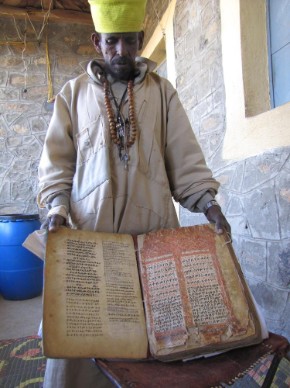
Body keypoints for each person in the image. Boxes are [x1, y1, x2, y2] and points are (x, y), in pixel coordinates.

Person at [38, 0, 231, 386]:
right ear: (97, 41)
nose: (121, 52)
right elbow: (57, 165)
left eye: (129, 41)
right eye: (112, 42)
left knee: (157, 348)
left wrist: (210, 206)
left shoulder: (162, 93)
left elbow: (185, 157)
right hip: (91, 245)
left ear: (141, 39)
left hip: (154, 243)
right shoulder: (72, 95)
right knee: (83, 350)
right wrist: (56, 208)